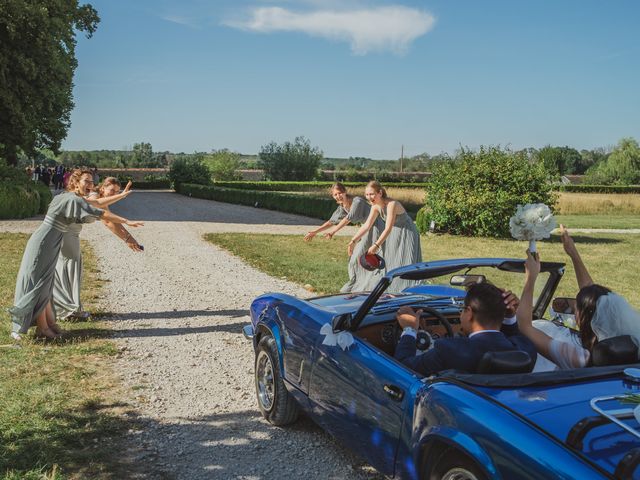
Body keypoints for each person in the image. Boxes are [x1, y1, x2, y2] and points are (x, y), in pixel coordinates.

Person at [10, 169, 143, 340]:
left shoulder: (73, 198)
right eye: (86, 181)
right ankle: (41, 327)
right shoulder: (71, 199)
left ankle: (48, 323)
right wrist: (127, 221)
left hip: (52, 241)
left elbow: (96, 204)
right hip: (44, 243)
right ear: (76, 182)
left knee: (46, 283)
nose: (90, 185)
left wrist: (122, 196)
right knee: (39, 283)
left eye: (92, 181)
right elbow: (100, 212)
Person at [517, 226, 640, 369]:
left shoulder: (578, 357)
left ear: (585, 318)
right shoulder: (629, 346)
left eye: (577, 309)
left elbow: (525, 327)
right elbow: (591, 294)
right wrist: (573, 253)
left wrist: (531, 277)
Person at [394, 283, 537, 376]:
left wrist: (410, 329)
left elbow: (404, 368)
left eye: (462, 309)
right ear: (503, 315)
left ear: (469, 312)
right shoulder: (526, 351)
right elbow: (513, 338)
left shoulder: (449, 350)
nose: (460, 313)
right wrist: (510, 318)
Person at [53, 176, 139, 320]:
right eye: (112, 190)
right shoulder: (94, 196)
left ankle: (66, 308)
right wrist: (128, 238)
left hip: (69, 233)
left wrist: (128, 238)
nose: (114, 194)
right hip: (67, 233)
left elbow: (110, 220)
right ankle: (71, 311)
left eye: (117, 191)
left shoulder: (99, 199)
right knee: (72, 269)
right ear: (102, 188)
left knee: (67, 270)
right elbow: (108, 221)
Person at [304, 182, 384, 292]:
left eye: (340, 193)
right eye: (335, 195)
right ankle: (360, 284)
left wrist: (333, 232)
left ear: (345, 192)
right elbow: (331, 221)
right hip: (365, 230)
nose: (338, 196)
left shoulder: (357, 201)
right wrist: (315, 232)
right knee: (356, 258)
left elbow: (348, 219)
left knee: (369, 257)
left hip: (377, 227)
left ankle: (364, 285)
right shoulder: (343, 206)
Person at [348, 181, 422, 292]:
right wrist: (353, 241)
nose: (369, 197)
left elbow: (387, 228)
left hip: (407, 232)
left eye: (372, 194)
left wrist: (376, 245)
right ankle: (391, 288)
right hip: (394, 232)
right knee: (391, 259)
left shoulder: (392, 204)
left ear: (380, 193)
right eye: (367, 194)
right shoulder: (375, 207)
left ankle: (407, 290)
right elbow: (367, 226)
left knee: (405, 260)